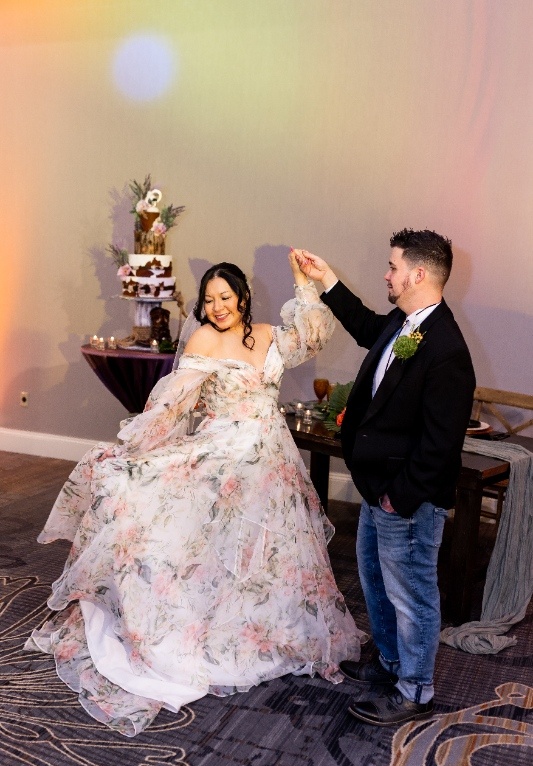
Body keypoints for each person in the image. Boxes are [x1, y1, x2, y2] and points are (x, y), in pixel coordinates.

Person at [25, 256, 365, 736]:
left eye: (226, 297)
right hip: (223, 454)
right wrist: (135, 446)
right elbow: (174, 403)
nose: (218, 306)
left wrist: (303, 284)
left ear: (243, 298)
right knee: (196, 537)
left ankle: (267, 630)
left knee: (272, 553)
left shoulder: (269, 334)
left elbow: (311, 336)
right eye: (209, 300)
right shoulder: (204, 339)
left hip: (271, 463)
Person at [293, 229, 475, 726]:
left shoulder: (447, 350)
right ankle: (392, 663)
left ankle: (416, 690)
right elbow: (365, 326)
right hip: (379, 489)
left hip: (406, 498)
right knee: (375, 580)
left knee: (412, 594)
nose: (387, 275)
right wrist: (326, 279)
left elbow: (441, 445)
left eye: (393, 267)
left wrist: (399, 496)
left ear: (418, 274)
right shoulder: (405, 322)